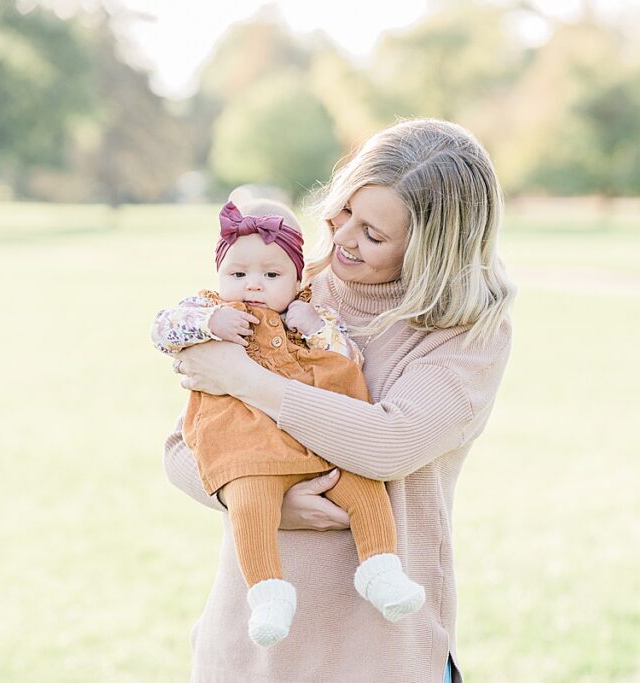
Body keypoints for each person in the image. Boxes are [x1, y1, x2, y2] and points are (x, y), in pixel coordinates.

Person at [164, 118, 515, 682]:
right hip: (249, 651)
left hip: (375, 655)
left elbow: (387, 442)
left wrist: (243, 378)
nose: (344, 237)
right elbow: (183, 447)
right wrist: (263, 501)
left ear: (433, 247)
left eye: (374, 234)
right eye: (343, 211)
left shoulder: (465, 334)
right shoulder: (286, 287)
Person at [151, 196, 424, 648]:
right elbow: (161, 329)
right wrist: (207, 322)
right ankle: (267, 592)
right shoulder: (208, 310)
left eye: (271, 275)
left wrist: (316, 325)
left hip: (315, 448)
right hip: (247, 450)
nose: (252, 285)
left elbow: (349, 360)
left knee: (363, 488)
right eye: (238, 274)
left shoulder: (312, 316)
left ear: (298, 279)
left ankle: (381, 569)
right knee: (250, 500)